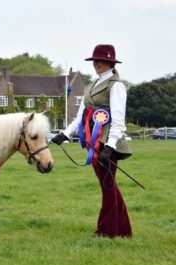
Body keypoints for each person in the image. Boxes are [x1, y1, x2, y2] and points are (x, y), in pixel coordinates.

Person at [51, 44, 132, 238]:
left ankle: (107, 231)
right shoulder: (93, 85)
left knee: (108, 185)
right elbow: (81, 115)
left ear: (110, 62)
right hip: (93, 141)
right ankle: (123, 230)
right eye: (95, 60)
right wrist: (66, 133)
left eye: (101, 60)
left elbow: (119, 120)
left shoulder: (116, 85)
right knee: (109, 184)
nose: (96, 64)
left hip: (107, 142)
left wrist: (110, 147)